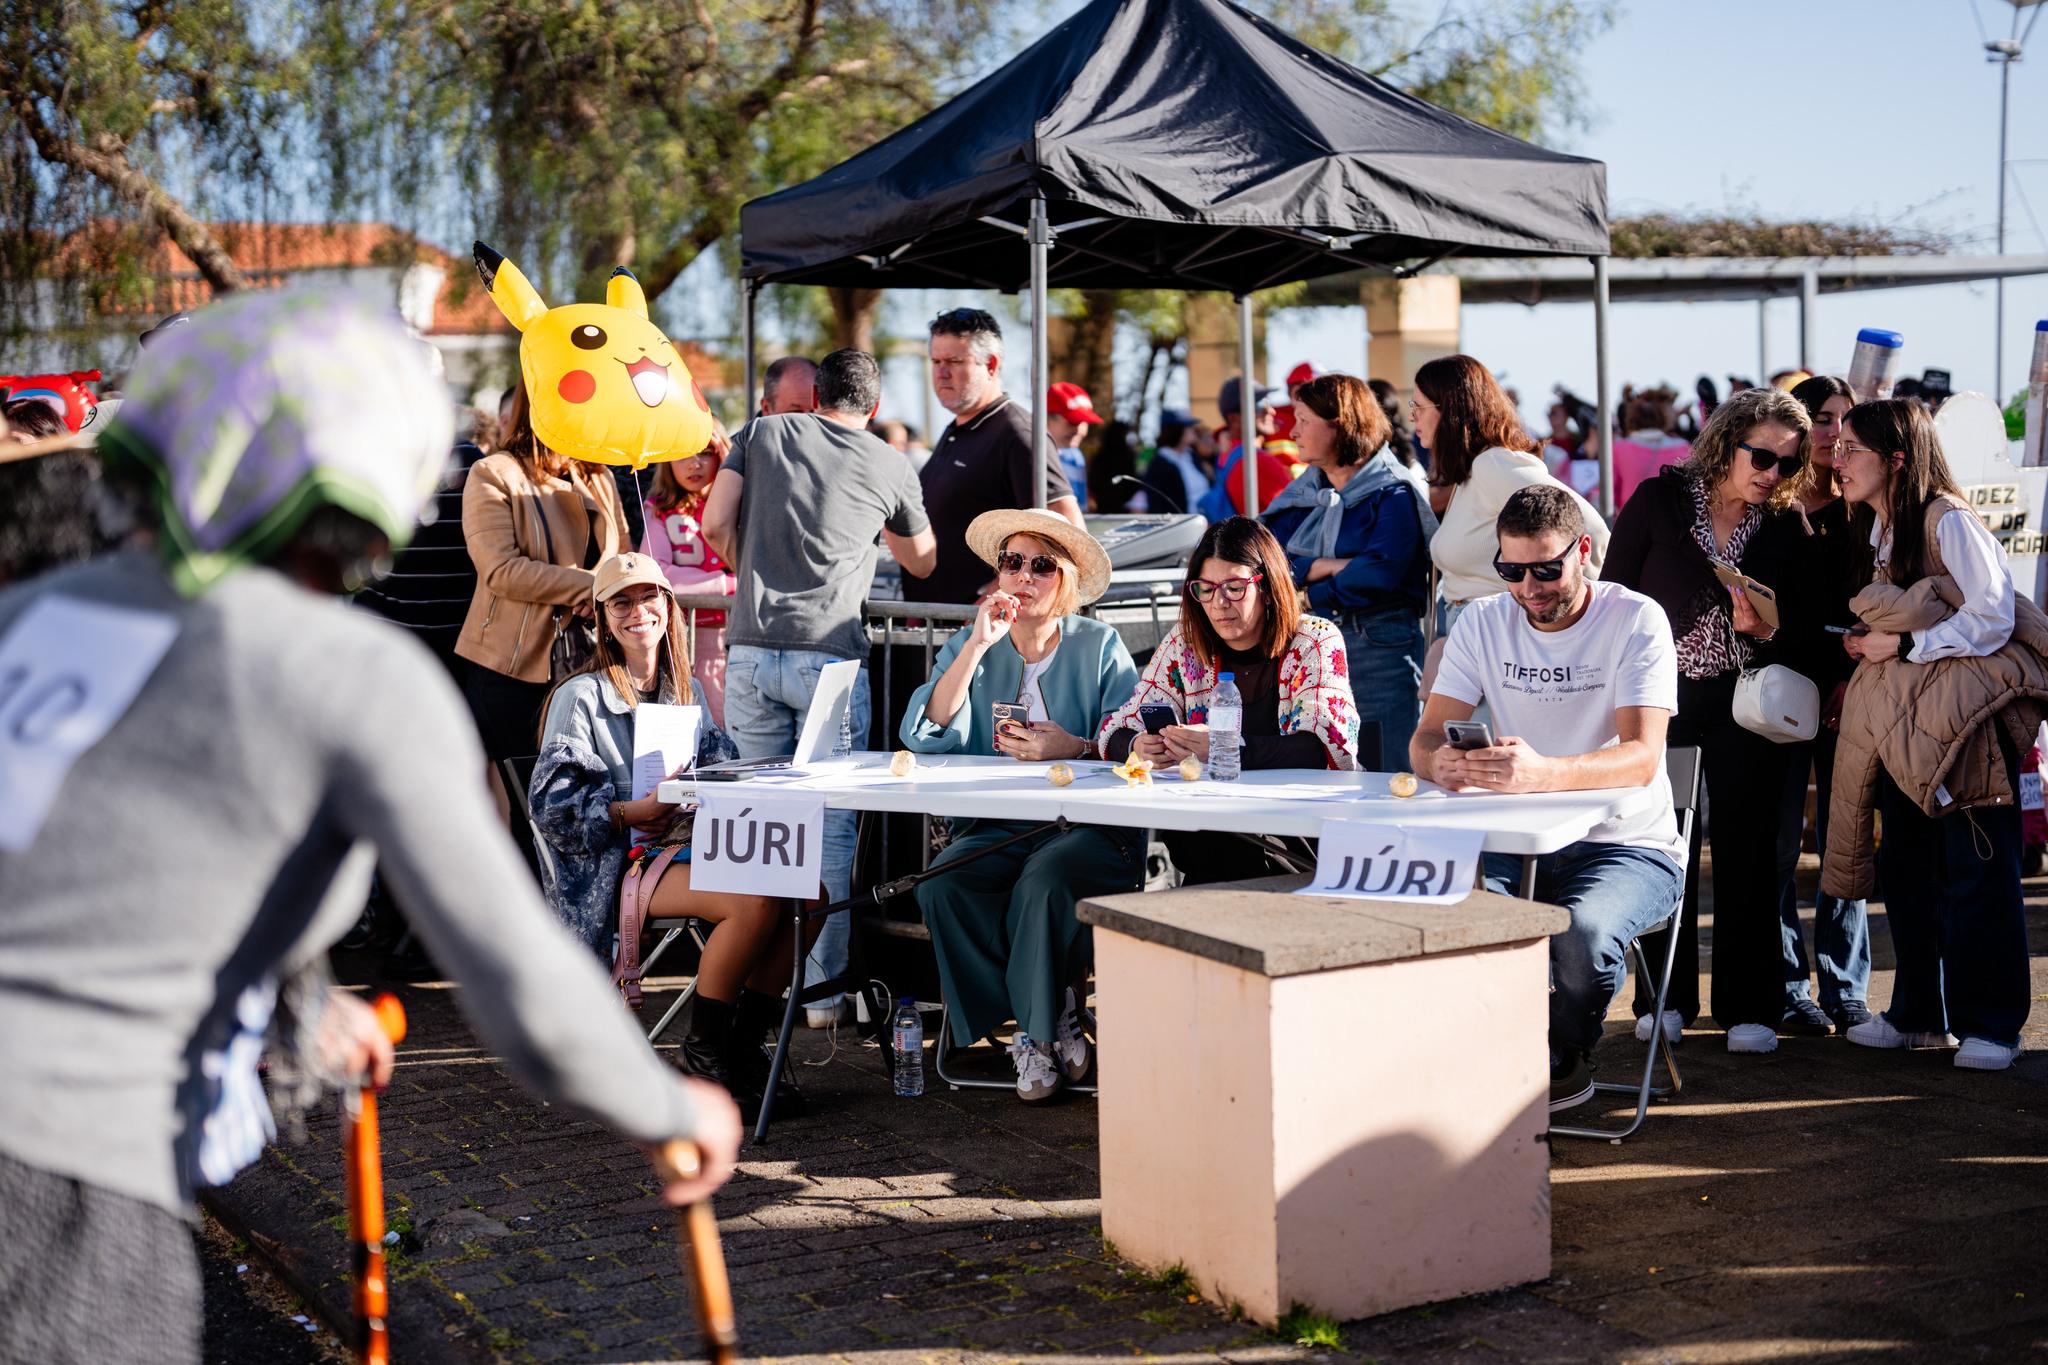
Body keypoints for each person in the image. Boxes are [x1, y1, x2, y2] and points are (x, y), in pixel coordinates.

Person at [0, 292, 736, 1364]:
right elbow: (522, 987)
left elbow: (122, 854)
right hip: (58, 1181)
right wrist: (664, 1104)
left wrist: (286, 1005)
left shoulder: (39, 617)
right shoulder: (339, 668)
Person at [1411, 484, 1686, 1111]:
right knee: (1454, 927)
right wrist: (1442, 762)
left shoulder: (1636, 617)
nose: (1529, 587)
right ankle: (1499, 1067)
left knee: (1579, 936)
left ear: (1583, 552)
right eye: (1511, 570)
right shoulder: (1483, 619)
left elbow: (1643, 757)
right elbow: (1423, 739)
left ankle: (1557, 1061)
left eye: (1545, 569)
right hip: (1515, 840)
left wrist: (1540, 773)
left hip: (1628, 846)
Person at [702, 348, 937, 1027]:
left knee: (757, 823)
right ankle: (822, 996)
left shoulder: (759, 432)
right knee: (832, 829)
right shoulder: (890, 461)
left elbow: (716, 522)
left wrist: (750, 570)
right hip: (830, 659)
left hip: (749, 649)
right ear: (876, 403)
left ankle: (747, 982)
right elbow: (921, 562)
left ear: (816, 396)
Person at [531, 554, 813, 1112]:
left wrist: (727, 781)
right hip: (612, 863)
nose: (639, 611)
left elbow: (721, 770)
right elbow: (552, 809)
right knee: (754, 902)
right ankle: (705, 1057)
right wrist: (632, 812)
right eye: (622, 602)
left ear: (668, 605)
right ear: (602, 618)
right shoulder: (580, 697)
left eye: (649, 597)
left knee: (809, 892)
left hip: (688, 846)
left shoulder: (685, 691)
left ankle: (741, 1045)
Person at [1824, 399, 2040, 1071]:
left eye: (1850, 448)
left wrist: (1904, 643)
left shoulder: (1947, 517)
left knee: (1978, 871)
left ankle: (1994, 1025)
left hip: (1966, 726)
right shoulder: (1884, 523)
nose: (1836, 457)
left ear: (1894, 459)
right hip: (1912, 721)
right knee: (1909, 868)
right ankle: (1920, 1013)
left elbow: (1993, 615)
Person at [900, 510, 1141, 1101]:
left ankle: (1034, 1036)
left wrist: (1078, 747)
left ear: (1067, 582)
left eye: (1041, 566)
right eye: (1012, 563)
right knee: (941, 883)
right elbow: (923, 734)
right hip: (998, 825)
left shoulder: (1100, 645)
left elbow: (1136, 742)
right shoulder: (971, 644)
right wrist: (977, 646)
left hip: (1089, 828)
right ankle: (1049, 1009)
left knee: (1044, 879)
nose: (1023, 577)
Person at [1604, 386, 1814, 1053]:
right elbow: (1612, 596)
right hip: (1660, 698)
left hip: (1745, 698)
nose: (1773, 474)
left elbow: (1809, 628)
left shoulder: (1787, 523)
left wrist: (1767, 629)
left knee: (1750, 850)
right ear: (1727, 442)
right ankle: (1664, 997)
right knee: (1661, 847)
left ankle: (1750, 1004)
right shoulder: (1659, 501)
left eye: (1788, 462)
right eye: (1762, 456)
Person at [1099, 517, 1359, 883]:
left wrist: (1225, 749)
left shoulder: (1314, 640)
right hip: (1210, 845)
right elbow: (1116, 729)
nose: (1219, 602)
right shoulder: (1185, 643)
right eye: (1205, 589)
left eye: (1234, 587)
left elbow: (1325, 748)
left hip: (1299, 851)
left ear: (1267, 587)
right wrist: (1140, 746)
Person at [1262, 374, 1435, 771]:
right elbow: (1268, 562)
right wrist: (1323, 565)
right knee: (1314, 770)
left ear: (1339, 424)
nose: (1293, 430)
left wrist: (1309, 592)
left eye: (1304, 420)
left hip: (1376, 646)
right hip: (1307, 646)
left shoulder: (1393, 492)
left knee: (1382, 770)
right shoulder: (1304, 494)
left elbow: (1380, 575)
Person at [455, 377, 629, 763]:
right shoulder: (493, 473)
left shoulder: (599, 478)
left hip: (591, 663)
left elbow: (623, 559)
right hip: (514, 668)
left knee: (589, 796)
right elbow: (501, 570)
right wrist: (589, 587)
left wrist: (602, 589)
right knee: (524, 810)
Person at [1773, 375, 1872, 1033]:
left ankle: (1845, 986)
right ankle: (1787, 984)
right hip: (1778, 686)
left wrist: (1845, 680)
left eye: (1844, 419)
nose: (1834, 431)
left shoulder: (1864, 508)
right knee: (1779, 840)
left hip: (1852, 687)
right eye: (1823, 418)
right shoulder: (1770, 507)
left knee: (1846, 835)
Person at [1416, 355, 1609, 639]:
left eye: (1418, 407)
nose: (1412, 416)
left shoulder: (1493, 465)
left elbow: (1592, 529)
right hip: (1473, 631)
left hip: (1502, 636)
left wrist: (1575, 612)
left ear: (1450, 410)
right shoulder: (1473, 471)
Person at [908, 308, 1082, 604]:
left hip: (986, 634)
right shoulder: (958, 428)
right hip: (941, 628)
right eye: (936, 361)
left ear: (990, 364)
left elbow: (1068, 533)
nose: (941, 373)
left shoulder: (1017, 433)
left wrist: (991, 602)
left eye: (954, 361)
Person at [641, 430, 736, 725]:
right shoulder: (658, 509)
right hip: (680, 641)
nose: (694, 463)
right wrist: (729, 584)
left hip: (734, 639)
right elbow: (657, 574)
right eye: (683, 453)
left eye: (706, 452)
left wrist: (734, 467)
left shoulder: (741, 505)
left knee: (731, 733)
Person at [1202, 377, 1294, 519]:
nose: (1271, 411)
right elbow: (1296, 514)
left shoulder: (1226, 455)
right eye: (1260, 404)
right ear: (1234, 418)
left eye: (1269, 402)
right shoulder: (1258, 461)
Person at [1610, 385, 1693, 508]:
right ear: (1663, 416)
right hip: (1674, 523)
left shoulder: (1618, 449)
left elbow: (1609, 495)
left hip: (1631, 521)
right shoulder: (1684, 449)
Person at [1144, 407, 1211, 514]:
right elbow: (1157, 505)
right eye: (1188, 426)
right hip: (1185, 526)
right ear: (1176, 430)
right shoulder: (1160, 465)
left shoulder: (1191, 455)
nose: (1193, 429)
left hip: (1206, 522)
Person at [1047, 381, 1100, 510]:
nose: (1080, 431)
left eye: (1085, 423)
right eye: (1073, 422)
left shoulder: (1075, 456)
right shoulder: (1030, 454)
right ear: (1046, 418)